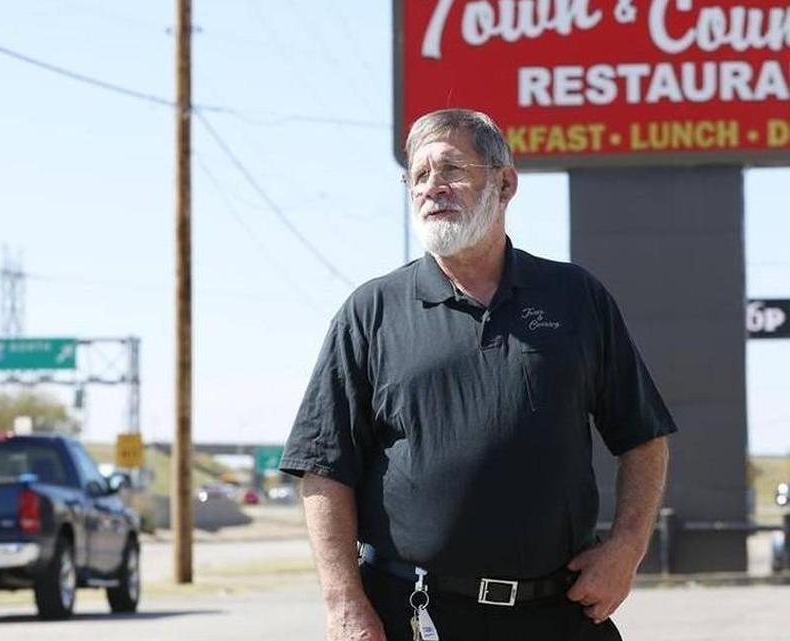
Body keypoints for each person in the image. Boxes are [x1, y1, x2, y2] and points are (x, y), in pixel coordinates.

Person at [280, 108, 676, 641]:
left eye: (450, 170)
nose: (432, 188)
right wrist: (344, 600)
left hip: (557, 614)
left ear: (505, 182)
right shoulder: (371, 311)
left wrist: (626, 549)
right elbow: (323, 467)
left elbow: (643, 438)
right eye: (418, 176)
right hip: (414, 616)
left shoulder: (576, 298)